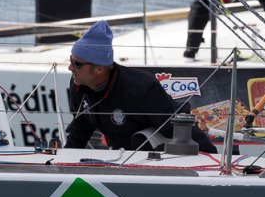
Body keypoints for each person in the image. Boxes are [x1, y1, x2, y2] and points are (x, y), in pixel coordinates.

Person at [65, 20, 216, 153]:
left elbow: (176, 127)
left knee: (158, 132)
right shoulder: (79, 83)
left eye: (76, 64)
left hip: (150, 156)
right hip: (119, 156)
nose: (70, 68)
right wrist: (65, 160)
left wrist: (210, 155)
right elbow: (81, 127)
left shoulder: (142, 87)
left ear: (99, 68)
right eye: (71, 60)